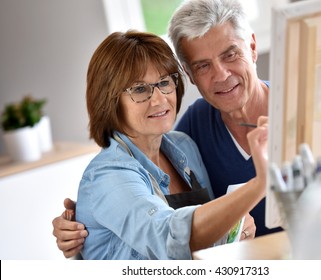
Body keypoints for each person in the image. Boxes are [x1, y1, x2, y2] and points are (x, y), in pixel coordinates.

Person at [52, 0, 282, 258]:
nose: (159, 99)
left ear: (252, 47)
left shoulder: (183, 146)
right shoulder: (195, 127)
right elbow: (168, 236)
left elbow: (208, 236)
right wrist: (77, 220)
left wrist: (234, 234)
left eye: (164, 82)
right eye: (139, 89)